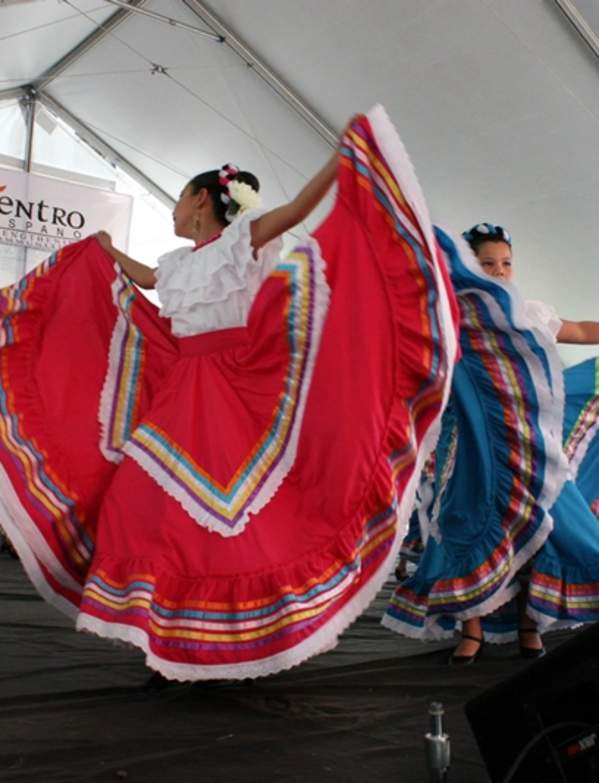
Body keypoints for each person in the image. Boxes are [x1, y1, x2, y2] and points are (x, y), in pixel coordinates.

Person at [0, 107, 459, 680]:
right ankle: (168, 631)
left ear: (199, 201)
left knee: (238, 522)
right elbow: (144, 280)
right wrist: (103, 250)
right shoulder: (173, 263)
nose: (171, 208)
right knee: (137, 503)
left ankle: (236, 633)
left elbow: (294, 211)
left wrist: (339, 162)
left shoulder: (243, 238)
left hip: (241, 391)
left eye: (177, 198)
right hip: (183, 390)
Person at [384, 223, 599, 663]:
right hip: (467, 441)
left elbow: (576, 329)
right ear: (466, 266)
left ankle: (528, 624)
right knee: (464, 524)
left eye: (505, 264)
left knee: (544, 527)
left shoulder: (527, 312)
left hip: (527, 441)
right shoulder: (448, 316)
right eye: (487, 264)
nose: (499, 272)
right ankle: (472, 629)